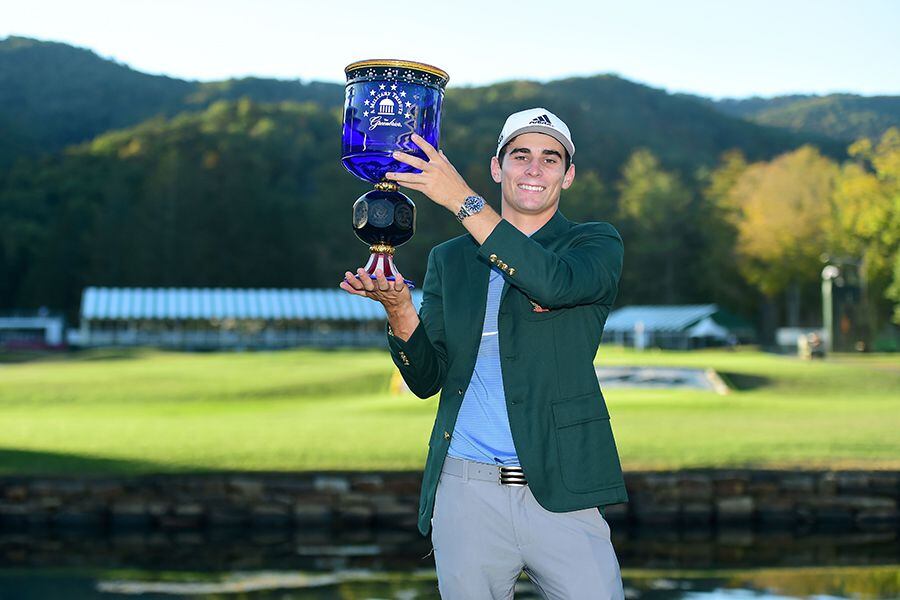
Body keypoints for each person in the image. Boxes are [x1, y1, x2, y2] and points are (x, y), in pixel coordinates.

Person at [340, 108, 627, 599]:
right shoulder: (450, 260)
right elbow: (427, 378)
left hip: (563, 488)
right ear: (498, 167)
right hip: (466, 491)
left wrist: (460, 199)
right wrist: (400, 310)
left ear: (568, 174)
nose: (534, 169)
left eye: (550, 158)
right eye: (521, 156)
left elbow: (552, 283)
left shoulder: (593, 243)